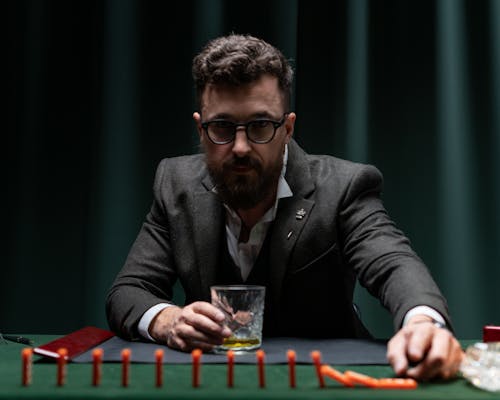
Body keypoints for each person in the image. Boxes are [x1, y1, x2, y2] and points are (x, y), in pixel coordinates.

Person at [106, 34, 463, 380]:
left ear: (288, 128)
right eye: (223, 127)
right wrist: (167, 320)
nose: (242, 147)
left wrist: (423, 322)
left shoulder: (344, 186)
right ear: (201, 130)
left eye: (261, 125)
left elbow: (393, 264)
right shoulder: (175, 184)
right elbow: (129, 290)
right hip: (213, 383)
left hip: (328, 384)